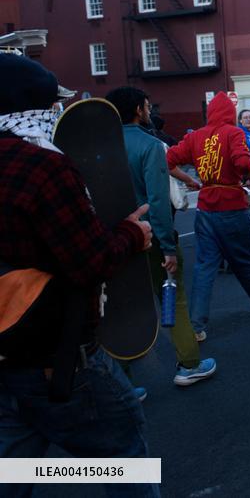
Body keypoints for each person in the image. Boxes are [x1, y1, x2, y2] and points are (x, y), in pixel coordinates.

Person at [0, 54, 157, 487]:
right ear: (33, 109)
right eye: (53, 107)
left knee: (13, 467)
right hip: (58, 355)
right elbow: (89, 262)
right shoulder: (44, 166)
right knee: (124, 458)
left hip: (6, 353)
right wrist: (131, 233)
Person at [106, 86, 217, 388]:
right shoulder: (150, 145)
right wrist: (168, 246)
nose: (149, 111)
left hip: (114, 237)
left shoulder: (101, 144)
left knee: (121, 305)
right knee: (172, 295)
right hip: (149, 236)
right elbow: (157, 201)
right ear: (138, 110)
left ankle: (123, 382)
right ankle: (189, 363)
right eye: (146, 106)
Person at [167, 93, 250, 341]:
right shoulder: (233, 133)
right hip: (232, 207)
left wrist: (190, 180)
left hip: (205, 209)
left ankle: (197, 325)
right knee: (246, 262)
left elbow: (168, 159)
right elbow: (243, 162)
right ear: (229, 114)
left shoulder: (195, 137)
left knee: (204, 267)